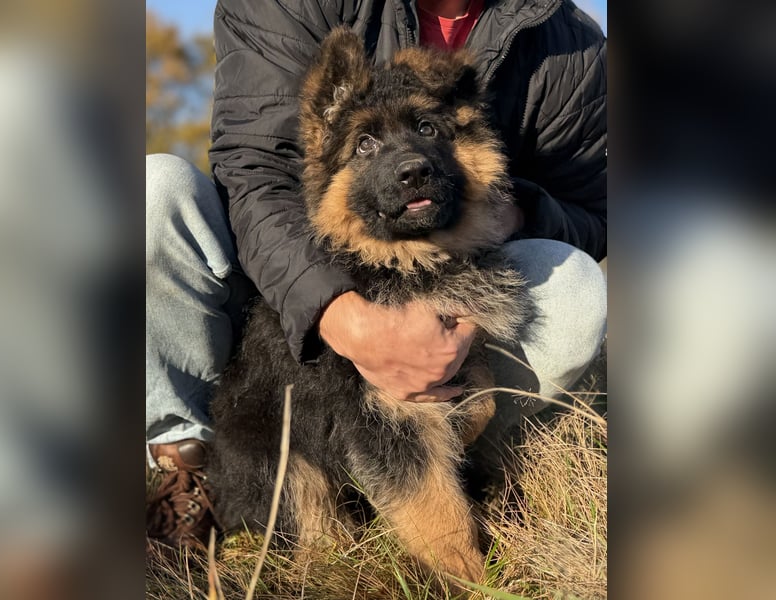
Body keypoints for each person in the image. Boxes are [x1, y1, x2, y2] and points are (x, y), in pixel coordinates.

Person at [146, 0, 607, 547]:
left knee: (576, 286)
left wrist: (513, 209)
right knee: (153, 193)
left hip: (472, 241)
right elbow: (252, 168)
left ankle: (482, 472)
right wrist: (344, 317)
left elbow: (598, 208)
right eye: (368, 143)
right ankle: (188, 467)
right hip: (284, 259)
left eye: (426, 128)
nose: (410, 161)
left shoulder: (569, 40)